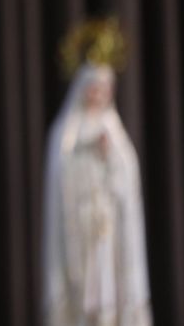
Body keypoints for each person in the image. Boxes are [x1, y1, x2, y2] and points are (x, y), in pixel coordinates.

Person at [43, 21, 151, 325]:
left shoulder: (114, 132)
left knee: (108, 297)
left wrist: (109, 158)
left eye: (104, 88)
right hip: (79, 232)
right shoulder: (65, 134)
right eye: (93, 87)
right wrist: (83, 153)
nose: (98, 94)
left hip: (108, 233)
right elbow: (61, 183)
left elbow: (127, 180)